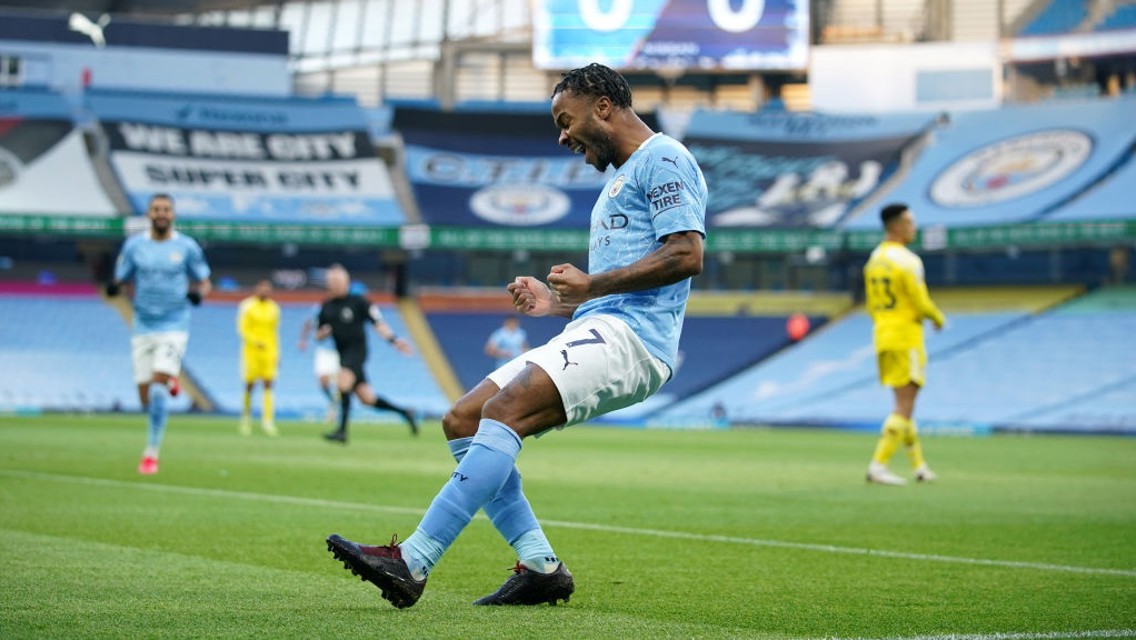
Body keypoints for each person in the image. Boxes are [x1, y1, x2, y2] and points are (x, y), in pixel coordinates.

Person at [326, 62, 707, 609]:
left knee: (505, 411)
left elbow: (687, 254)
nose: (563, 135)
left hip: (636, 341)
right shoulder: (619, 180)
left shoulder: (664, 158)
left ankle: (412, 560)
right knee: (462, 417)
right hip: (603, 324)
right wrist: (559, 303)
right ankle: (540, 566)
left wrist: (591, 282)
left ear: (603, 106)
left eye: (565, 119)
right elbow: (615, 287)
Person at [106, 193, 211, 475]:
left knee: (157, 385)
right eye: (156, 209)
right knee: (145, 395)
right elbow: (122, 276)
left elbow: (204, 280)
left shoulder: (186, 246)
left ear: (173, 214)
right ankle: (169, 378)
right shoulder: (134, 246)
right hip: (143, 324)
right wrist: (114, 287)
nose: (161, 213)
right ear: (149, 214)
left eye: (166, 209)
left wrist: (198, 294)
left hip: (174, 323)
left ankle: (151, 452)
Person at [862, 203, 945, 486]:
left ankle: (919, 466)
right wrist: (938, 318)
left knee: (905, 405)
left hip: (883, 334)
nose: (914, 227)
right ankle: (878, 465)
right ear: (896, 226)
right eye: (910, 222)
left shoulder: (874, 259)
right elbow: (921, 301)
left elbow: (872, 305)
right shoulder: (908, 261)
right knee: (904, 406)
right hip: (906, 336)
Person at [316, 264, 418, 442]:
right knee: (367, 398)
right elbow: (318, 334)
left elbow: (377, 323)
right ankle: (405, 412)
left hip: (357, 352)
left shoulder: (359, 302)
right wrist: (322, 333)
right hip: (342, 354)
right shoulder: (326, 306)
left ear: (346, 282)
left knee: (343, 381)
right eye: (331, 281)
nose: (334, 285)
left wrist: (394, 340)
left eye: (337, 281)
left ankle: (342, 431)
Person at [236, 279, 280, 437]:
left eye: (268, 289)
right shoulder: (247, 306)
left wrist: (277, 354)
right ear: (257, 289)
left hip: (269, 352)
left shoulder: (274, 308)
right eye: (262, 288)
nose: (265, 292)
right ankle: (246, 418)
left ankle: (267, 421)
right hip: (251, 352)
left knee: (269, 384)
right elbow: (242, 328)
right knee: (249, 385)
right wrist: (255, 342)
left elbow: (274, 333)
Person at [298, 302, 341, 423]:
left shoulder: (344, 308)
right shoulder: (319, 309)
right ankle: (333, 402)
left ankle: (333, 410)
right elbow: (308, 323)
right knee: (323, 382)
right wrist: (303, 340)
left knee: (339, 383)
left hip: (338, 350)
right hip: (323, 350)